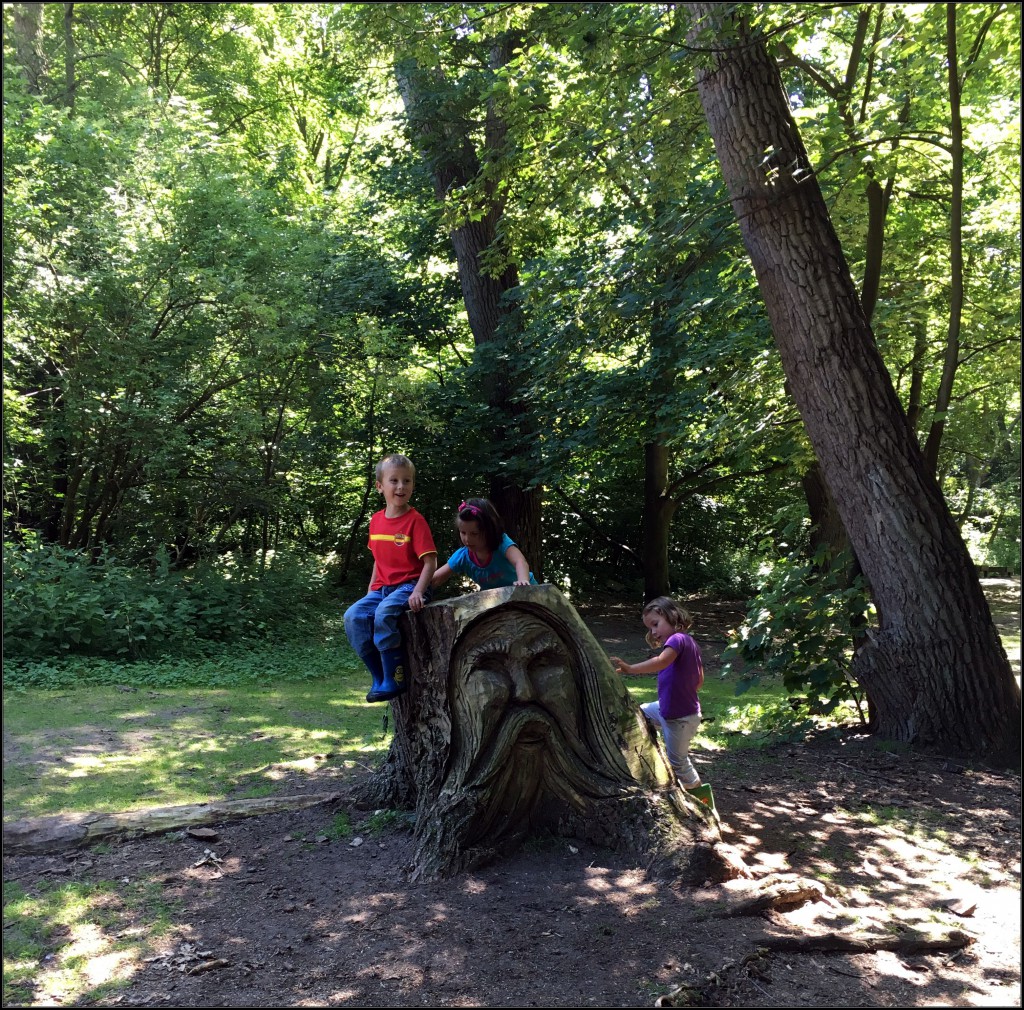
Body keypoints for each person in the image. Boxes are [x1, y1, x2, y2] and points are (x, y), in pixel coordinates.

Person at [344, 454, 437, 703]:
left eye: (406, 481)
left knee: (384, 613)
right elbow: (378, 559)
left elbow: (430, 562)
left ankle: (395, 677)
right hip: (383, 588)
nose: (400, 487)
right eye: (393, 480)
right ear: (379, 486)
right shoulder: (376, 521)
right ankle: (379, 678)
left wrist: (418, 591)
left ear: (412, 485)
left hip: (411, 585)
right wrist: (371, 589)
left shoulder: (415, 521)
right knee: (353, 617)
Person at [609, 596, 704, 790]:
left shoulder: (678, 639)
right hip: (667, 708)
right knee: (638, 712)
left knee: (678, 762)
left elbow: (660, 662)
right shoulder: (690, 643)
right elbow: (700, 680)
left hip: (681, 717)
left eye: (655, 624)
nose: (653, 632)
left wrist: (630, 669)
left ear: (671, 616)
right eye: (650, 628)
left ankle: (700, 797)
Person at [432, 498, 536, 591]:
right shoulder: (462, 556)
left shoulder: (502, 543)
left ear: (489, 530)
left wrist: (523, 581)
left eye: (474, 533)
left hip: (528, 592)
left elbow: (519, 561)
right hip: (499, 603)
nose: (467, 539)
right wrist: (417, 591)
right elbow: (436, 579)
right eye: (463, 533)